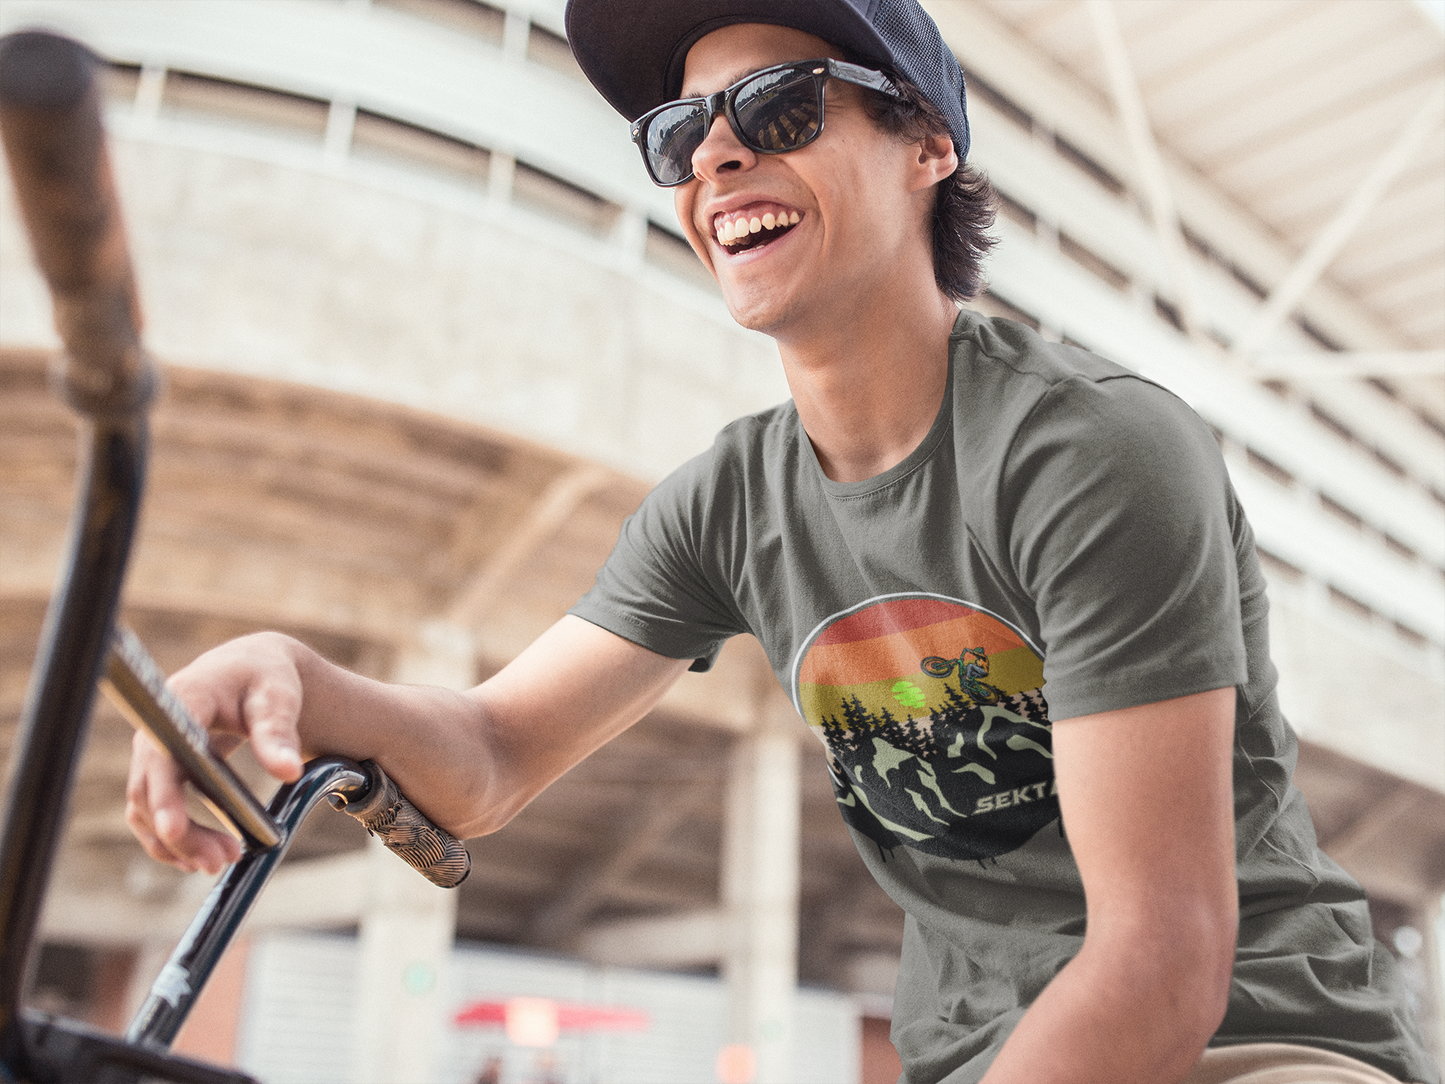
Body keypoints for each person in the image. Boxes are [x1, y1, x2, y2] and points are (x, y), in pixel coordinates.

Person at [126, 2, 1439, 1082]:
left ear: (925, 142)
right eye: (679, 132)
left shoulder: (1093, 452)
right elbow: (486, 754)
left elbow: (1161, 957)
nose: (716, 159)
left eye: (781, 109)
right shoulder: (730, 502)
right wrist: (301, 674)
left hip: (1250, 1042)